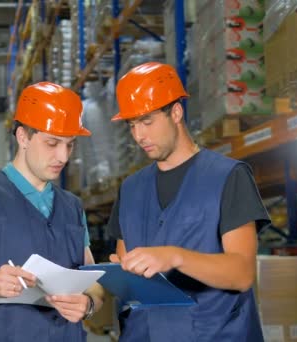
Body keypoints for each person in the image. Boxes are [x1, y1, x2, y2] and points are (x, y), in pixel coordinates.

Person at [107, 62, 270, 341]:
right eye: (132, 125)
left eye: (147, 121)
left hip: (214, 334)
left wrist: (175, 256)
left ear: (176, 113)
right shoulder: (130, 190)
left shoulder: (228, 177)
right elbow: (126, 267)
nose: (138, 136)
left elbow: (242, 273)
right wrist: (115, 274)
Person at [0, 82, 105, 341]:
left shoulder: (72, 207)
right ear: (23, 137)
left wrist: (89, 303)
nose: (63, 156)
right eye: (52, 143)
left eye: (70, 145)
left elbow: (92, 281)